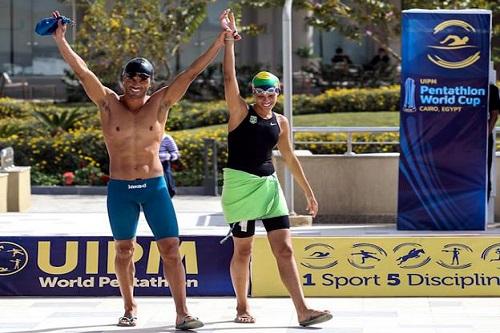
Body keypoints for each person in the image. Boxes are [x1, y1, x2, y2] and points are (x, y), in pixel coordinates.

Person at [50, 10, 227, 329]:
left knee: (171, 249)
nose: (136, 83)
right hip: (121, 190)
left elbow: (190, 73)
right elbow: (82, 70)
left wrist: (220, 39)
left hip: (155, 187)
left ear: (150, 81)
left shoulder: (160, 104)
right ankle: (130, 309)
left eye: (142, 78)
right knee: (124, 250)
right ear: (122, 79)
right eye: (130, 77)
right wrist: (61, 40)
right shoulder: (107, 103)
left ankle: (182, 313)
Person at [220, 9, 332, 327]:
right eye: (260, 91)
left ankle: (302, 309)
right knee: (243, 250)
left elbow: (290, 158)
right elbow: (229, 79)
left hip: (269, 188)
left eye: (271, 92)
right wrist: (229, 40)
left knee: (284, 249)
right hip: (241, 187)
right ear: (253, 93)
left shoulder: (280, 122)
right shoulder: (240, 112)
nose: (266, 97)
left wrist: (309, 194)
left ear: (278, 92)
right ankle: (242, 305)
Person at [488, 82, 500, 200]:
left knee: (485, 173)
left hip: (483, 139)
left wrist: (487, 133)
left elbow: (495, 114)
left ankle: (483, 215)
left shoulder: (491, 89)